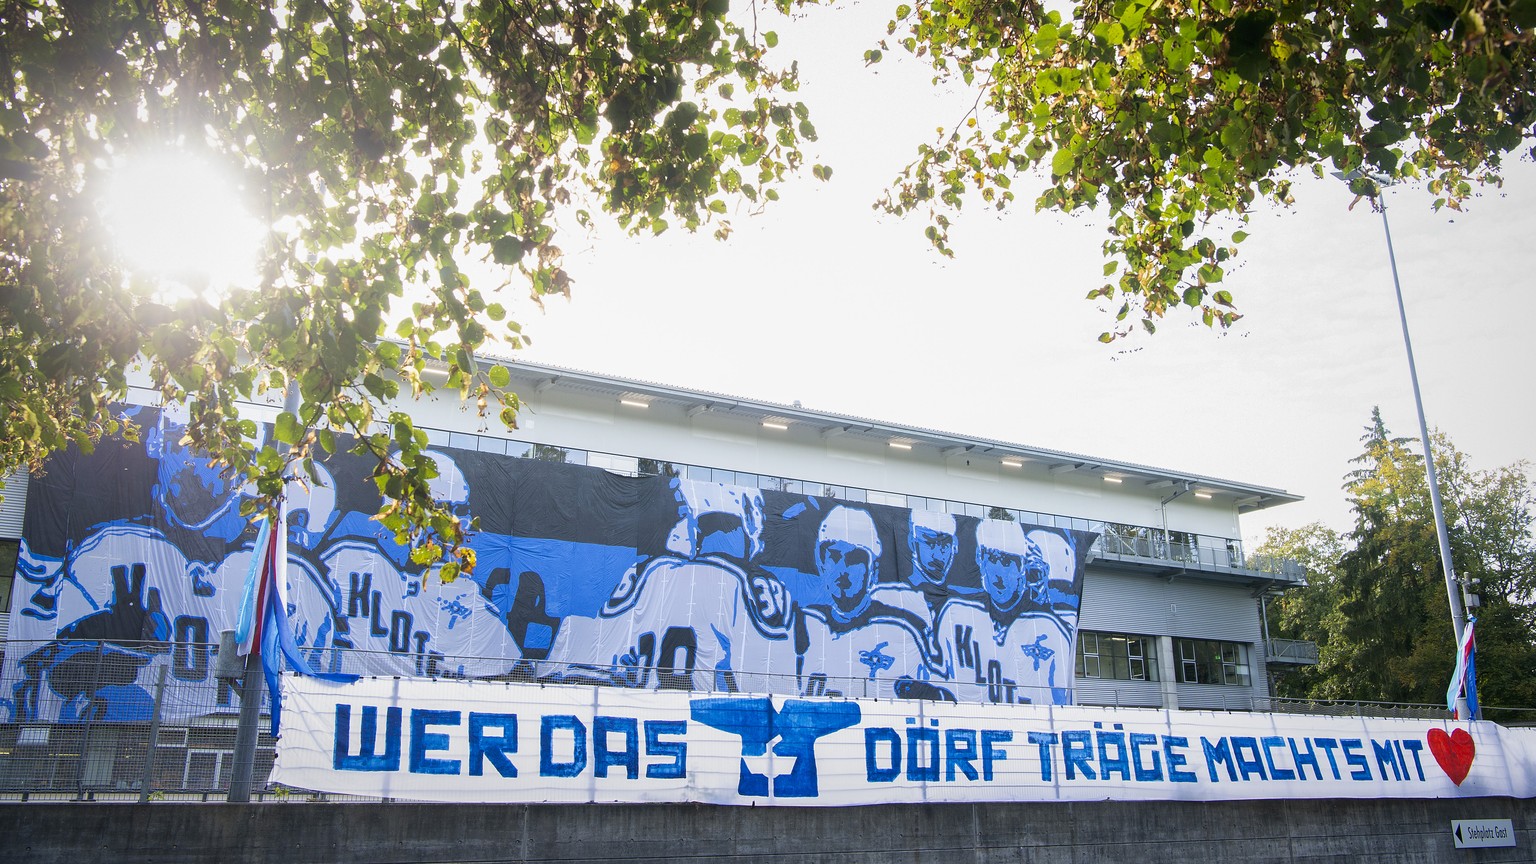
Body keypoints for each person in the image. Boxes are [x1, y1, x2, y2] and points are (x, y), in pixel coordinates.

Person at [541, 479, 804, 696]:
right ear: (749, 532)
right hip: (712, 706)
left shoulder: (651, 572)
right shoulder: (757, 585)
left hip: (649, 700)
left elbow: (605, 644)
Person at [800, 506, 947, 700]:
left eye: (854, 559)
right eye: (834, 557)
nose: (842, 570)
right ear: (820, 563)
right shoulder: (805, 623)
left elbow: (936, 690)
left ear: (873, 570)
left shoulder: (901, 628)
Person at [933, 519, 1073, 705]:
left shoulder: (1048, 628)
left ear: (1023, 567)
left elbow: (1061, 697)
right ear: (980, 560)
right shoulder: (957, 614)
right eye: (992, 558)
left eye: (1008, 562)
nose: (998, 572)